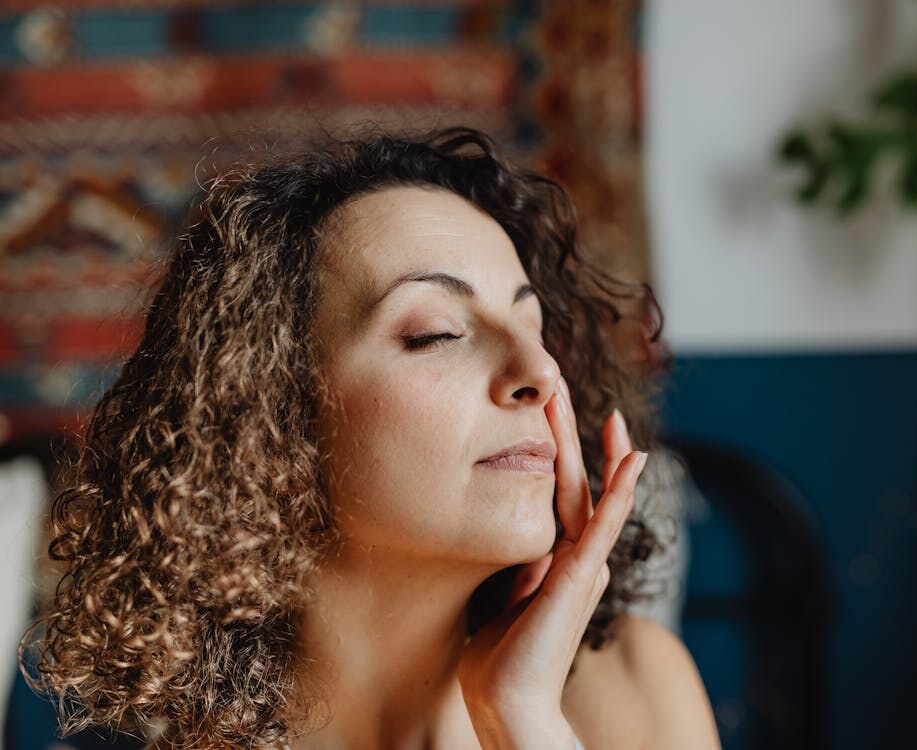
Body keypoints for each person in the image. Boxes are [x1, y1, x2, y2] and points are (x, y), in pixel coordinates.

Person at [20, 126, 721, 749]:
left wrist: (524, 720)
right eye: (435, 333)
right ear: (271, 420)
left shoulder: (633, 688)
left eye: (534, 327)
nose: (539, 371)